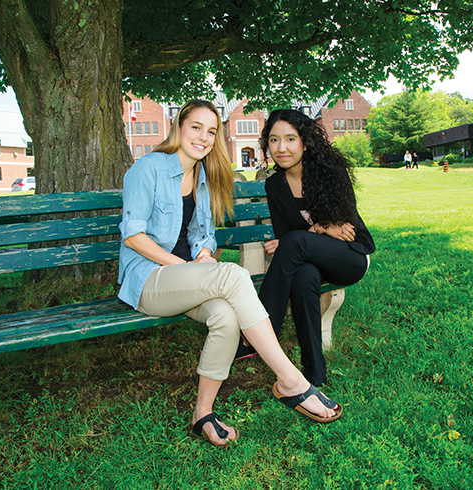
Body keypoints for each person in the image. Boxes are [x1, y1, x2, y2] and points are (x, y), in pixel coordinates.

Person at [118, 100, 342, 447]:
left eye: (211, 131)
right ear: (179, 127)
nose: (204, 137)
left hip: (186, 280)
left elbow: (202, 235)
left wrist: (204, 254)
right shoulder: (149, 168)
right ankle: (291, 381)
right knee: (234, 275)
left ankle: (202, 413)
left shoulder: (204, 177)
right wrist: (188, 268)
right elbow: (133, 236)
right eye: (196, 127)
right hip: (149, 280)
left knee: (224, 315)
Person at [235, 109, 375, 387]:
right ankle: (314, 374)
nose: (281, 147)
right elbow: (286, 235)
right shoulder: (275, 185)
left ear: (305, 142)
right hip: (309, 262)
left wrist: (311, 233)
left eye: (290, 139)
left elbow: (343, 230)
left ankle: (257, 332)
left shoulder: (330, 172)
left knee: (297, 243)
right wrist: (320, 228)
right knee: (303, 277)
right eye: (274, 140)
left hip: (350, 257)